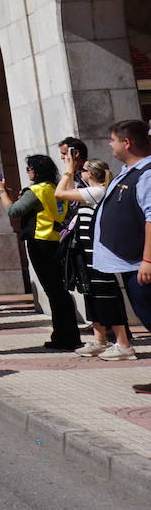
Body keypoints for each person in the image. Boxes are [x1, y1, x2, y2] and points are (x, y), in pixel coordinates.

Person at [0, 154, 80, 349]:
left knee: (54, 291)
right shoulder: (54, 186)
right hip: (57, 240)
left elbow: (13, 211)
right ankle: (67, 334)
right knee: (60, 290)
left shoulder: (36, 190)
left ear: (36, 170)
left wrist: (0, 191)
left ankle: (64, 337)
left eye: (29, 168)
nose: (27, 172)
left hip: (40, 242)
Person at [92, 119, 151, 393]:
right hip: (128, 262)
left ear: (127, 143)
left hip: (140, 262)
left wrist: (148, 260)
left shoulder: (146, 173)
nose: (110, 145)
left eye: (113, 140)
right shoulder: (128, 171)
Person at [56, 159, 134, 359]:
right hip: (88, 256)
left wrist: (67, 171)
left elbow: (60, 193)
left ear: (89, 174)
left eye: (82, 170)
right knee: (93, 296)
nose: (79, 172)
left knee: (106, 297)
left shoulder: (98, 191)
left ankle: (123, 344)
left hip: (98, 256)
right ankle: (100, 340)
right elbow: (68, 191)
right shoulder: (92, 191)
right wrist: (71, 171)